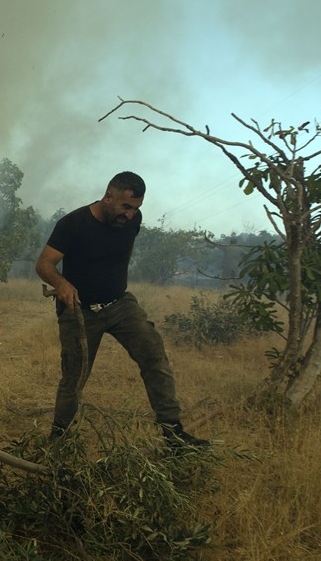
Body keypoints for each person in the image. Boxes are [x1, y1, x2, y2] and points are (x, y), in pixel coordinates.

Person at [35, 171, 208, 449]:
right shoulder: (73, 224)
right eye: (125, 207)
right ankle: (58, 441)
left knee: (154, 356)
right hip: (80, 309)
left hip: (120, 304)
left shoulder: (132, 222)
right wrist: (62, 283)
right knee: (74, 377)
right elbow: (44, 264)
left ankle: (174, 434)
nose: (129, 215)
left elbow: (121, 252)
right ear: (108, 196)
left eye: (136, 209)